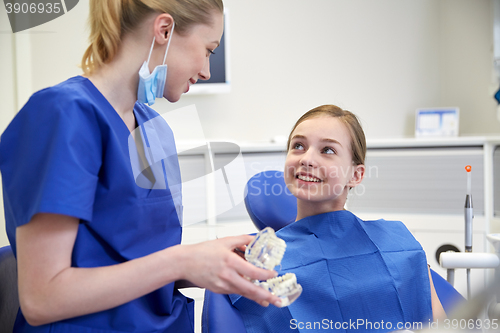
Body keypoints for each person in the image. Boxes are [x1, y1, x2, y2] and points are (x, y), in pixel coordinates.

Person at [0, 0, 281, 332]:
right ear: (164, 30)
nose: (206, 71)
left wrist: (204, 265)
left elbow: (139, 266)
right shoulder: (62, 115)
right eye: (209, 50)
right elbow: (41, 298)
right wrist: (181, 260)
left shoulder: (156, 129)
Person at [229, 105, 446, 332]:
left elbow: (440, 326)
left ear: (355, 175)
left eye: (328, 150)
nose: (307, 159)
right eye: (298, 146)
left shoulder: (398, 245)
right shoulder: (257, 262)